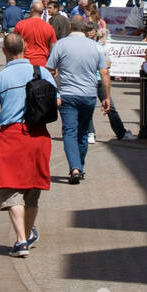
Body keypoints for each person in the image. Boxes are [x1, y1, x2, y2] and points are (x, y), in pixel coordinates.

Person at [0, 32, 57, 257]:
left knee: (12, 187)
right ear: (25, 48)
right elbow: (57, 99)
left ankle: (21, 241)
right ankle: (27, 234)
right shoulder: (41, 72)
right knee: (33, 189)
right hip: (39, 135)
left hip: (11, 136)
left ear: (4, 51)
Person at [47, 16, 111, 185]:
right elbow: (104, 73)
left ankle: (75, 167)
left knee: (69, 132)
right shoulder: (96, 46)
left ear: (69, 27)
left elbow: (50, 69)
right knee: (83, 132)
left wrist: (54, 91)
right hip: (88, 95)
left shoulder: (61, 44)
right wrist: (107, 97)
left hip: (67, 94)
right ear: (84, 28)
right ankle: (79, 167)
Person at [15, 0, 56, 67]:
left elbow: (14, 45)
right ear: (42, 12)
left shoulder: (20, 25)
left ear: (31, 10)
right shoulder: (49, 27)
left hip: (24, 62)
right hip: (42, 63)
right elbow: (53, 48)